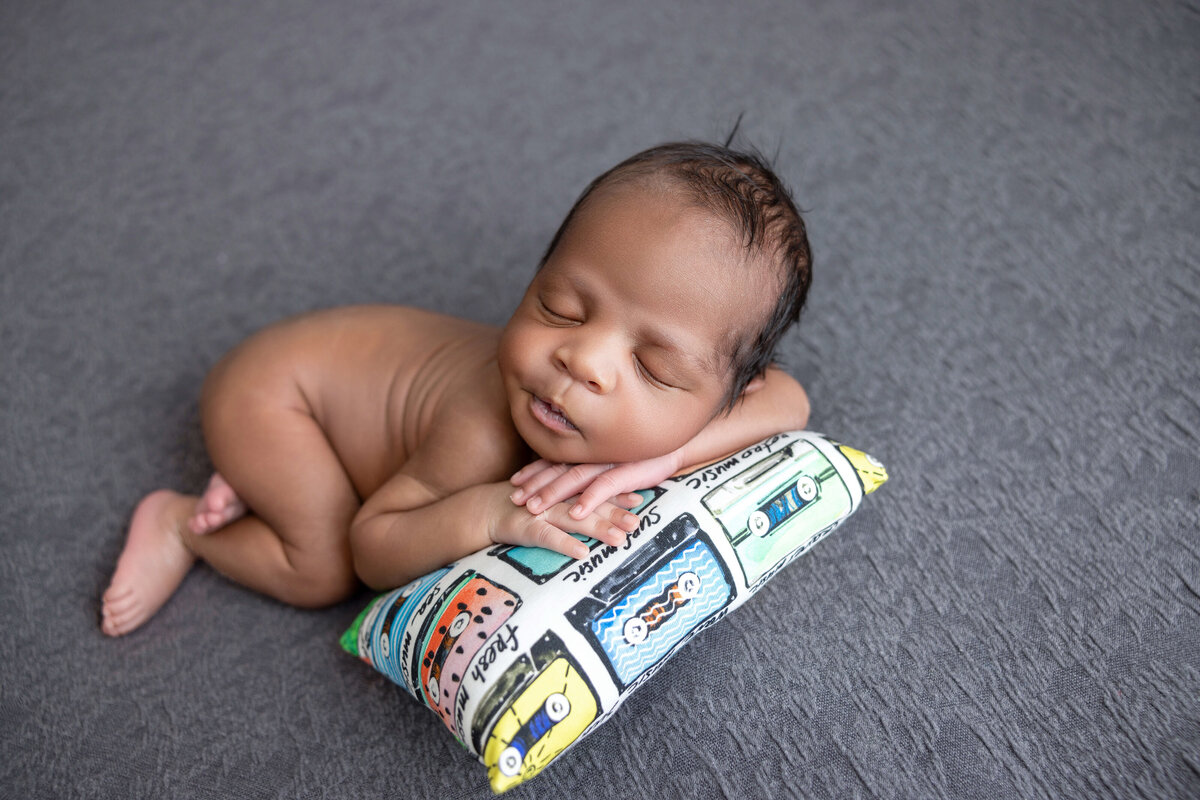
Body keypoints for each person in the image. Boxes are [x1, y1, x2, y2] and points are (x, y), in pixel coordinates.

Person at [100, 140, 813, 637]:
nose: (580, 358)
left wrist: (663, 457)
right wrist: (486, 513)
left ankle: (268, 477)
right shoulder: (483, 429)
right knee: (315, 571)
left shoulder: (697, 400)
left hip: (343, 380)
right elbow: (372, 549)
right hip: (275, 394)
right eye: (560, 306)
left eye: (654, 367)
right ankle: (181, 523)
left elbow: (790, 401)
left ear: (723, 393)